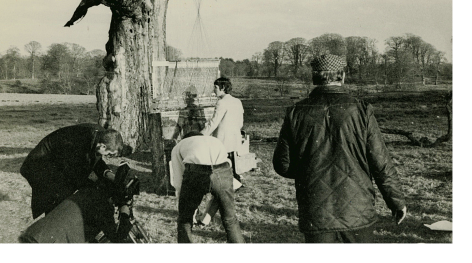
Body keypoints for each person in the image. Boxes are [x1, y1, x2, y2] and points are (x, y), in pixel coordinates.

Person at [273, 54, 407, 243]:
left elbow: (282, 164)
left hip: (316, 212)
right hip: (358, 212)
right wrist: (396, 201)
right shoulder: (361, 111)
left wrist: (310, 171)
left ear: (314, 78)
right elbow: (381, 162)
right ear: (342, 76)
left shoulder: (296, 112)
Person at [20, 123, 130, 219]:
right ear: (102, 146)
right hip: (40, 164)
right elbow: (75, 173)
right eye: (109, 154)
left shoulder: (100, 137)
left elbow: (96, 160)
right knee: (57, 198)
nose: (109, 156)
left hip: (58, 159)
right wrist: (97, 183)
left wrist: (108, 174)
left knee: (67, 193)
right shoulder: (80, 142)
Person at [170, 131, 245, 243]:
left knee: (185, 220)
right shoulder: (215, 141)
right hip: (223, 171)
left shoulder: (179, 146)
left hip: (195, 173)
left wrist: (187, 206)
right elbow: (225, 167)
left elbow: (179, 181)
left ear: (185, 139)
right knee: (230, 219)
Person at [201, 77, 244, 181]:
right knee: (232, 163)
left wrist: (201, 135)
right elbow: (240, 123)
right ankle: (235, 180)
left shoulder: (222, 102)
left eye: (215, 87)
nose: (214, 90)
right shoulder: (237, 101)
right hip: (234, 138)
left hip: (223, 140)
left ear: (223, 87)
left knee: (222, 164)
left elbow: (214, 122)